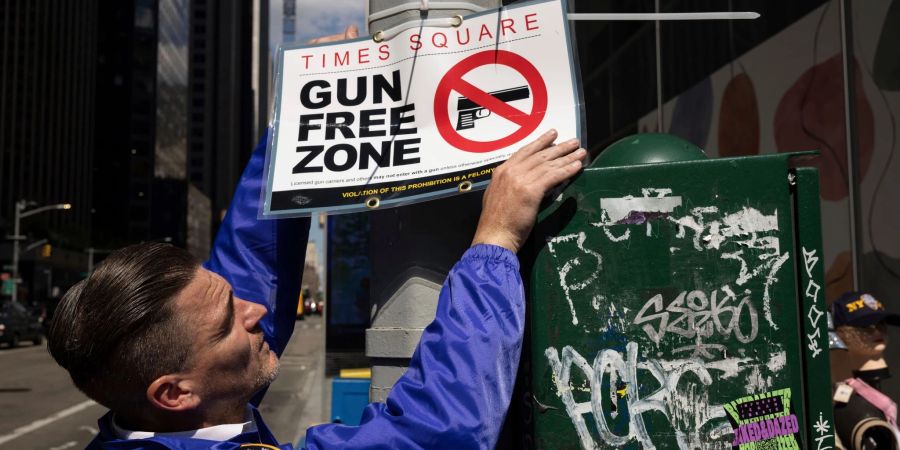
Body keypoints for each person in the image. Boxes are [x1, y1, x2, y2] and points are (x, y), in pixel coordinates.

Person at [48, 120, 586, 449]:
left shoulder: (166, 420)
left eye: (231, 299)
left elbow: (249, 265)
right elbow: (436, 432)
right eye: (226, 323)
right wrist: (494, 241)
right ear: (174, 393)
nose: (255, 310)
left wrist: (301, 116)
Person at [830, 291, 900, 449]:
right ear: (842, 334)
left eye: (881, 323)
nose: (877, 331)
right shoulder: (851, 402)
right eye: (866, 326)